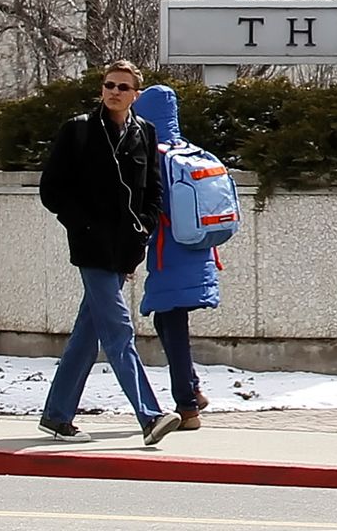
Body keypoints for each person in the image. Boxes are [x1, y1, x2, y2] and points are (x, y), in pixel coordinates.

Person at [36, 60, 183, 446]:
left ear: (136, 94)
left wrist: (142, 232)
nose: (114, 92)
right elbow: (52, 190)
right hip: (90, 247)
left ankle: (56, 415)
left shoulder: (144, 133)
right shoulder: (79, 130)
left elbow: (152, 192)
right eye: (109, 85)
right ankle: (150, 416)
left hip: (124, 249)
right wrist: (82, 224)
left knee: (88, 333)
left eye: (123, 87)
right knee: (118, 330)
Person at [133, 83, 220, 430]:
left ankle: (187, 406)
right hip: (198, 251)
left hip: (169, 255)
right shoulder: (190, 152)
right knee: (167, 321)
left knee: (173, 325)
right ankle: (194, 392)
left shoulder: (153, 157)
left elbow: (147, 208)